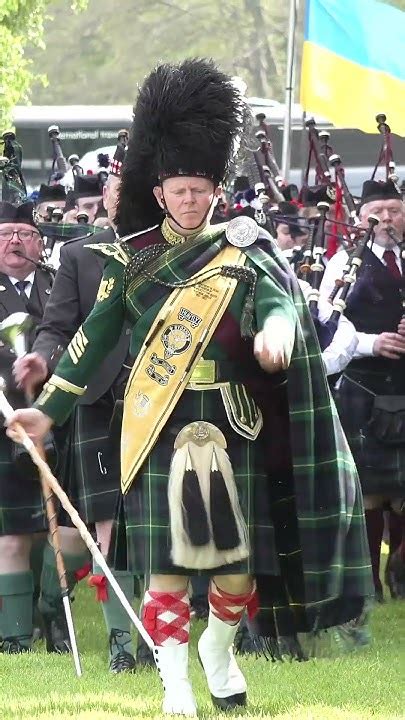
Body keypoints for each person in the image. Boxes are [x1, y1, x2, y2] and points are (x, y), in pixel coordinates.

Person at [8, 59, 372, 716]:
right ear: (160, 190)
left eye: (199, 189)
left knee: (234, 573)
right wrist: (48, 409)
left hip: (234, 426)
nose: (188, 199)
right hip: (157, 425)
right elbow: (92, 336)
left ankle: (218, 649)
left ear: (214, 191)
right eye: (178, 188)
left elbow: (279, 306)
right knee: (167, 567)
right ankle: (174, 680)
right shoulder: (129, 261)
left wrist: (277, 337)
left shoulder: (244, 248)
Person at [13, 143, 143, 673]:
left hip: (158, 402)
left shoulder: (177, 254)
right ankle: (74, 615)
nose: (124, 199)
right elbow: (56, 326)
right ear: (107, 198)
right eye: (117, 190)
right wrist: (43, 360)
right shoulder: (81, 254)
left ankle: (128, 639)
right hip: (94, 402)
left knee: (138, 524)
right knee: (95, 529)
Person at [0, 200, 87, 653]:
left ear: (39, 241)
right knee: (12, 532)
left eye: (23, 233)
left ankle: (56, 612)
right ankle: (14, 636)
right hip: (3, 425)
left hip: (62, 420)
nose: (15, 241)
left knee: (73, 530)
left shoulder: (59, 285)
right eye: (5, 233)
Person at [320, 179, 405, 602]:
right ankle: (368, 580)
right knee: (369, 488)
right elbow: (326, 324)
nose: (386, 219)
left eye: (394, 210)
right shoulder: (342, 265)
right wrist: (374, 342)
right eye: (378, 212)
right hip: (363, 384)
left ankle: (400, 572)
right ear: (361, 218)